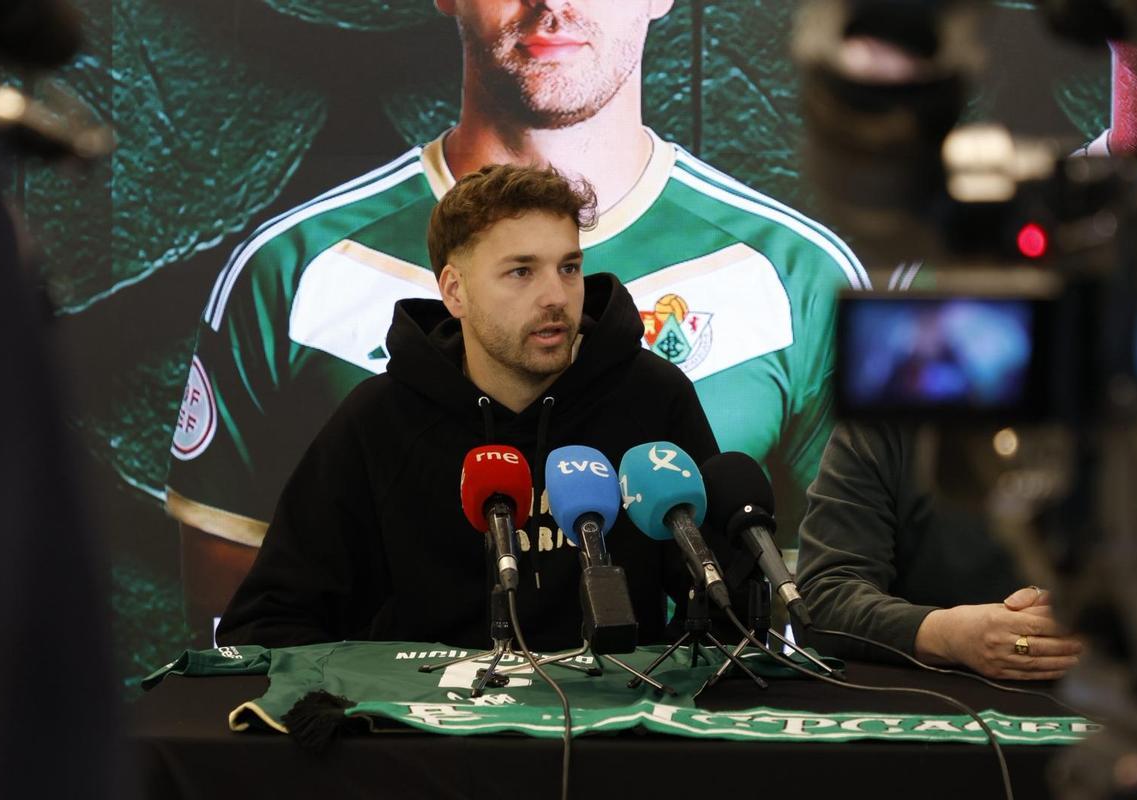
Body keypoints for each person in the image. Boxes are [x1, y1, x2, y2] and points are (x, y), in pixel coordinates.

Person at [171, 0, 867, 643]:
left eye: (566, 269)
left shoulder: (798, 275)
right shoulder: (295, 266)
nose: (551, 4)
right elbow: (240, 601)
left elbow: (828, 589)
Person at [215, 164, 719, 649]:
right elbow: (269, 622)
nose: (556, 296)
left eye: (569, 267)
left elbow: (725, 604)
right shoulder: (381, 419)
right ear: (455, 291)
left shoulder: (652, 397)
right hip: (426, 730)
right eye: (521, 271)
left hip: (614, 727)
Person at [795, 422, 1083, 681]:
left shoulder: (1118, 423)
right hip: (921, 707)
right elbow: (822, 601)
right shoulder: (882, 423)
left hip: (1101, 706)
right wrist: (945, 634)